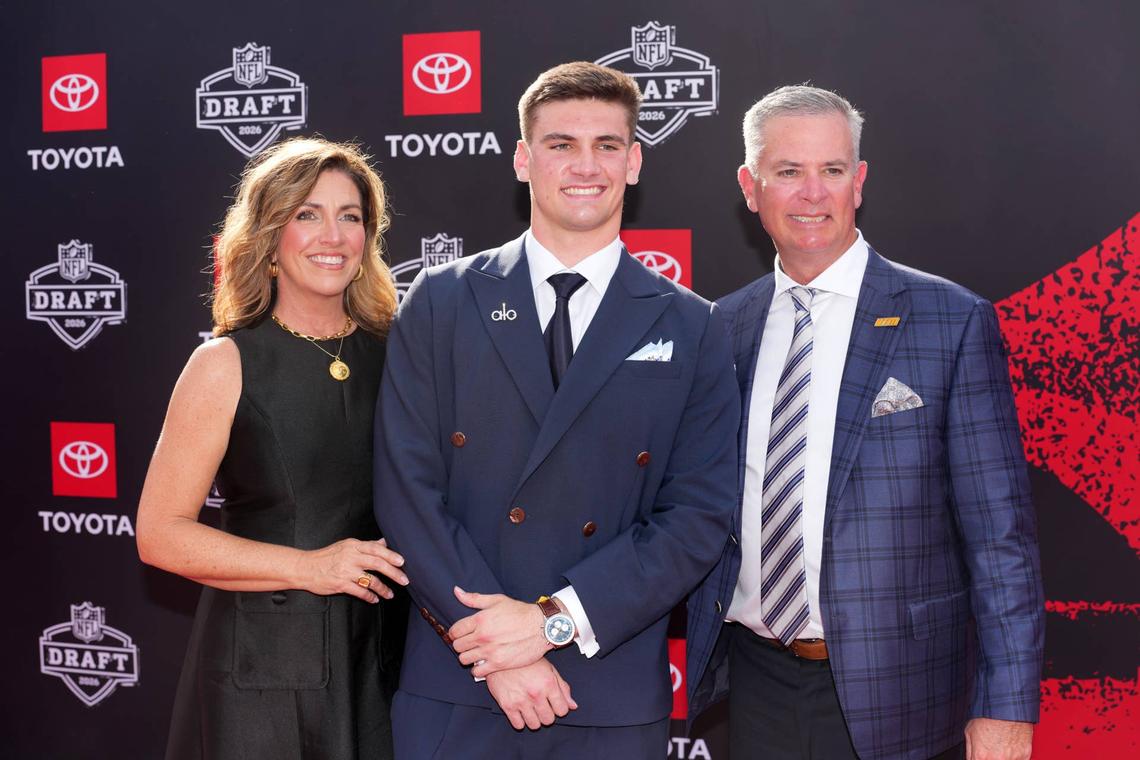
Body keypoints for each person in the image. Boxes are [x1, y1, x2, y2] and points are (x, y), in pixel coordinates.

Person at [372, 61, 739, 759]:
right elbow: (406, 492)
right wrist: (497, 650)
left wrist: (551, 624)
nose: (585, 165)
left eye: (607, 145)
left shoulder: (693, 326)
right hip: (461, 679)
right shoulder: (441, 301)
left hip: (607, 692)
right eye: (561, 143)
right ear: (522, 158)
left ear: (634, 163)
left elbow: (697, 516)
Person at [686, 85, 1045, 760]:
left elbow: (1002, 541)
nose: (812, 193)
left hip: (902, 692)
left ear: (860, 181)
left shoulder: (950, 321)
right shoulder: (722, 326)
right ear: (750, 186)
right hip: (753, 681)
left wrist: (1007, 706)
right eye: (788, 171)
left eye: (832, 169)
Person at [136, 137, 409, 759]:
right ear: (269, 238)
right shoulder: (225, 362)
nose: (332, 235)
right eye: (306, 214)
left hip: (380, 658)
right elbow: (160, 533)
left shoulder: (398, 354)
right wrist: (309, 566)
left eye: (351, 216)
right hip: (259, 676)